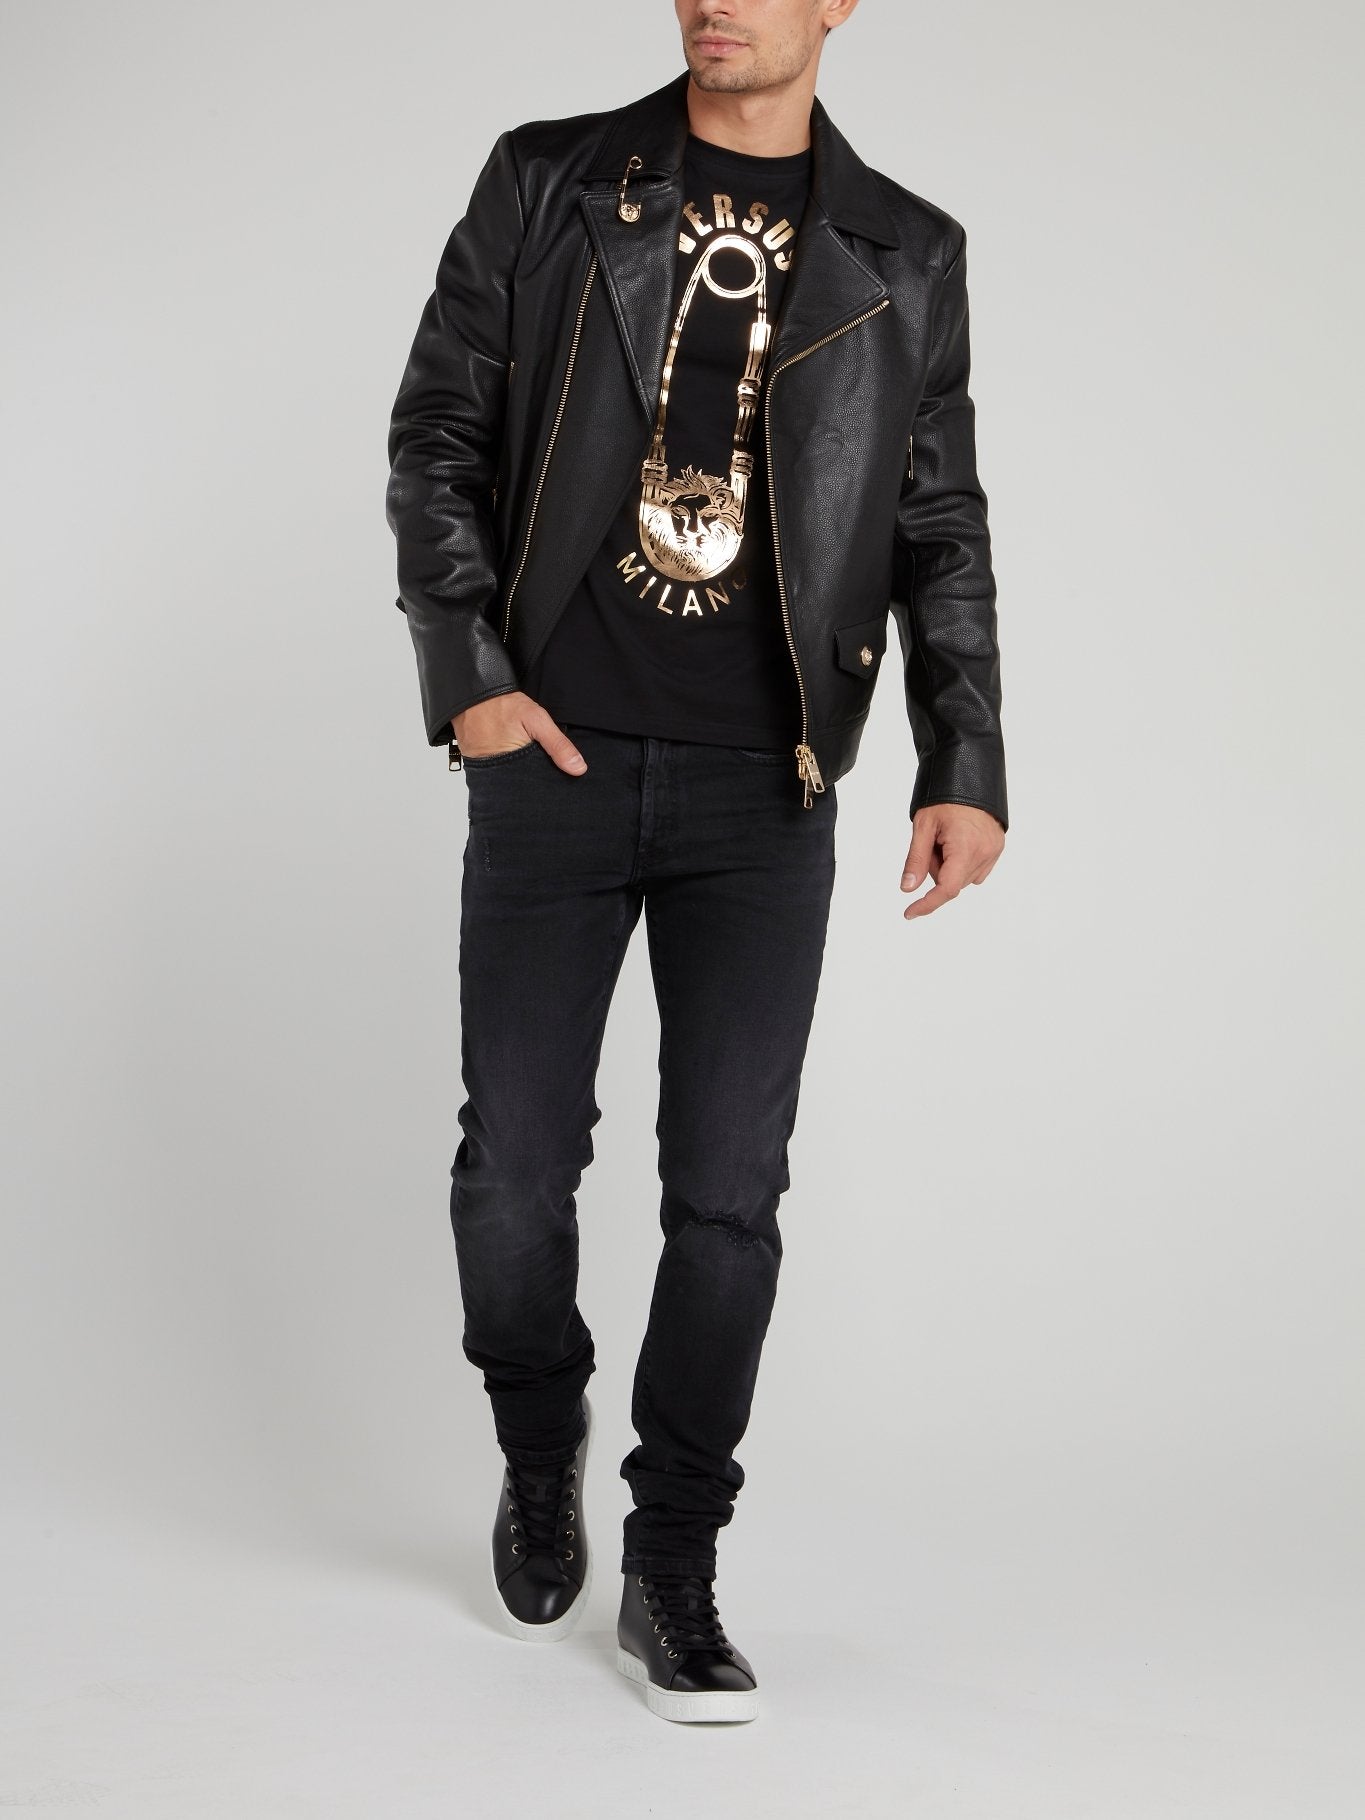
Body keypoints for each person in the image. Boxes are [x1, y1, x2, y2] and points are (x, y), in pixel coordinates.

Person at [385, 0, 1007, 1725]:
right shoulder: (551, 183)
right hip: (554, 761)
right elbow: (437, 431)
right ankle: (538, 1438)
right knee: (512, 1174)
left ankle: (672, 1557)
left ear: (836, 3)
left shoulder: (906, 250)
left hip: (765, 786)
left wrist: (963, 756)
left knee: (728, 1199)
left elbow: (934, 520)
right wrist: (470, 677)